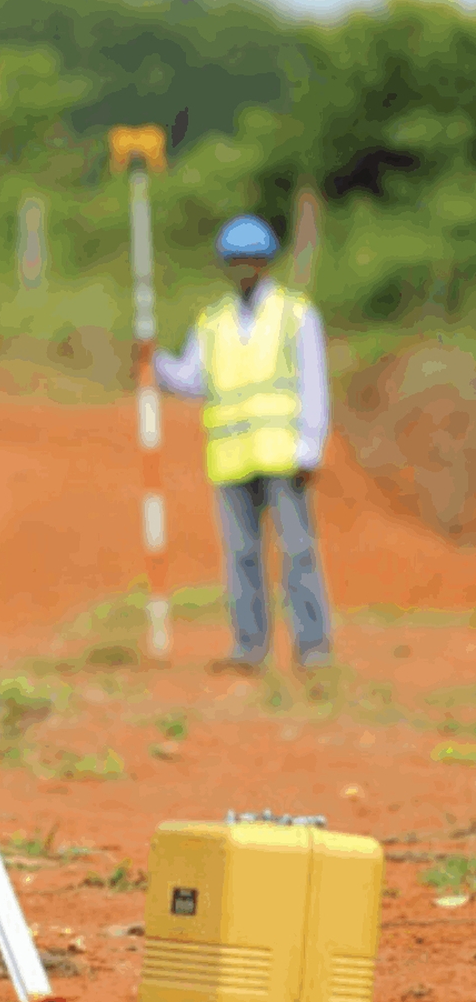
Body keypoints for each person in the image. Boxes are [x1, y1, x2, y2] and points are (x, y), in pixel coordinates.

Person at [154, 214, 332, 677]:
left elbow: (313, 381)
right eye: (236, 261)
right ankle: (249, 648)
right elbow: (192, 381)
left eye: (252, 259)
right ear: (225, 265)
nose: (244, 268)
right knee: (241, 558)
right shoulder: (212, 323)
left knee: (297, 553)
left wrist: (310, 445)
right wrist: (153, 363)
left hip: (282, 455)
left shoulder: (296, 313)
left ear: (267, 262)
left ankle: (313, 649)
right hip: (232, 460)